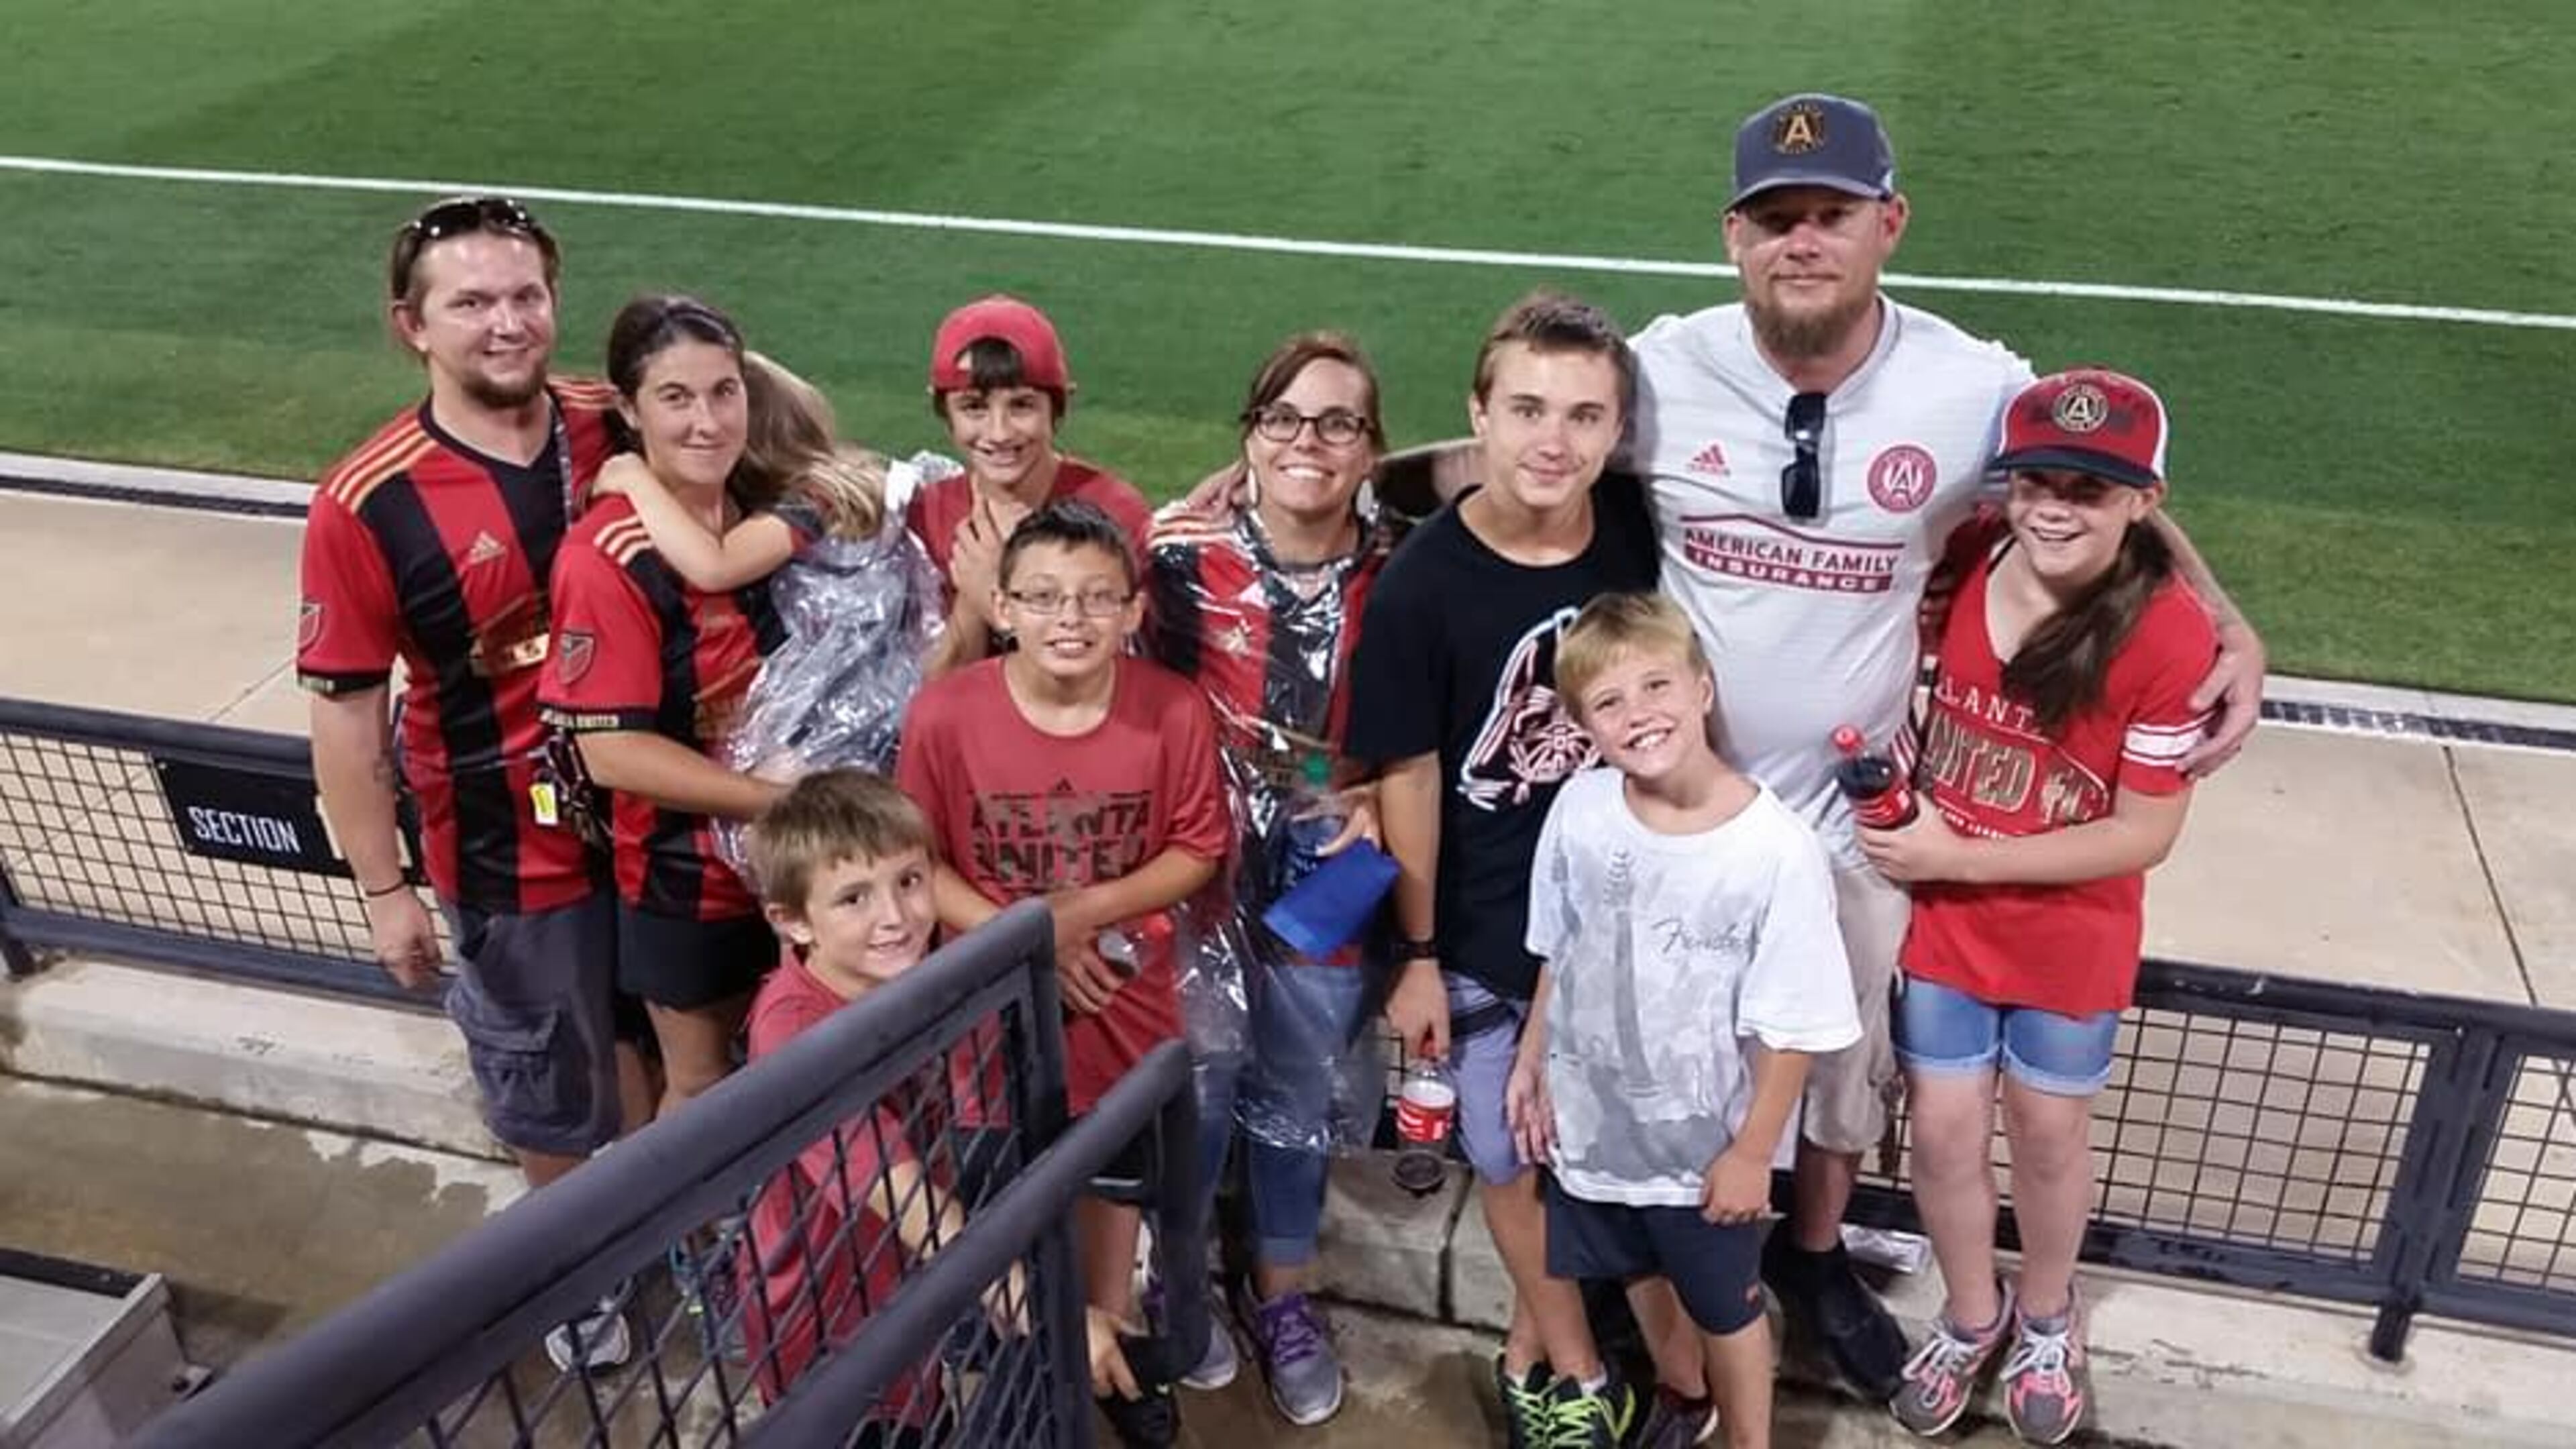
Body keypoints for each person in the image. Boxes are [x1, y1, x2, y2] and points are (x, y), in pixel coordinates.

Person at [1615, 93, 2269, 1398]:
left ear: (1888, 226)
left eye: (1832, 216)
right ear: (1733, 236)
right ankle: (1684, 1253)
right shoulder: (1657, 367)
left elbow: (2109, 479)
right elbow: (1520, 441)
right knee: (1679, 1042)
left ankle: (1812, 1260)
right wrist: (1283, 480)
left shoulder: (1973, 384)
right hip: (1689, 794)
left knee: (1849, 1060)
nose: (1804, 241)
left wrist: (2233, 619)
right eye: (1776, 218)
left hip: (1863, 811)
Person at [297, 195, 633, 1370]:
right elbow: (344, 710)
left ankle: (662, 1217)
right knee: (549, 1079)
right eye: (473, 302)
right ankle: (574, 1264)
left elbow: (798, 442)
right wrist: (385, 890)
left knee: (660, 1043)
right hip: (504, 849)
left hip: (655, 826)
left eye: (527, 295)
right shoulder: (365, 500)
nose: (508, 323)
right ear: (413, 327)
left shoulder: (618, 419)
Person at [1344, 292, 1672, 1448]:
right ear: (1477, 414)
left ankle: (1539, 1342)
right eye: (1527, 408)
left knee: (1606, 1146)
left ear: (1617, 429)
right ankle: (1574, 1373)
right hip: (1483, 936)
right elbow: (1413, 780)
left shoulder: (1637, 529)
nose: (1553, 439)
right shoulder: (1423, 585)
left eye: (1586, 415)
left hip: (1626, 922)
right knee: (1506, 1154)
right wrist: (1419, 956)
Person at [1865, 370, 2212, 1445]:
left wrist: (1951, 858)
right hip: (1948, 930)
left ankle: (2050, 1317)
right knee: (1944, 1134)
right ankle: (1975, 1315)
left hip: (2067, 936)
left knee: (2052, 1138)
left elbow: (2144, 832)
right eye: (2038, 481)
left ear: (2143, 502)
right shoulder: (1973, 556)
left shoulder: (2168, 634)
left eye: (2090, 489)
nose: (2055, 505)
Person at [895, 499, 1231, 1448]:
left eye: (1095, 599)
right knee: (999, 1194)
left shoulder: (1171, 708)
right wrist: (1028, 937)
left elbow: (1197, 847)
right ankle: (1026, 1361)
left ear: (1133, 611)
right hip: (992, 1007)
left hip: (1123, 997)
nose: (1070, 619)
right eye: (1043, 598)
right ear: (999, 607)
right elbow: (919, 860)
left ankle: (1111, 1351)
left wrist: (1078, 917)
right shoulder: (945, 713)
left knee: (1115, 1198)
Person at [1508, 592, 1863, 1449]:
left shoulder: (1775, 847)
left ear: (1703, 690)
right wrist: (1532, 1061)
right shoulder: (1580, 811)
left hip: (1707, 1155)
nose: (1639, 716)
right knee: (1631, 1264)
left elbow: (1796, 1025)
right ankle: (1680, 1392)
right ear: (1585, 724)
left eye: (1657, 686)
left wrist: (1750, 1155)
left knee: (1728, 1309)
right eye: (1609, 703)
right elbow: (1562, 950)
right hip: (1595, 1132)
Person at [1144, 331, 1399, 1426]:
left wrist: (1385, 793)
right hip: (1192, 856)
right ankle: (1180, 1277)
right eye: (1284, 419)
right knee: (1196, 1087)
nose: (1309, 441)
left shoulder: (1411, 564)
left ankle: (1281, 1298)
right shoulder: (1171, 558)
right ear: (1248, 435)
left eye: (1338, 421)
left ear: (1373, 448)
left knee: (1296, 1091)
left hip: (1331, 864)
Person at [540, 294, 788, 1124]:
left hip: (802, 870)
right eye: (676, 398)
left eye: (724, 392)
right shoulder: (605, 557)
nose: (708, 422)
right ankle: (698, 1251)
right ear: (628, 409)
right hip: (691, 886)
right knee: (705, 1084)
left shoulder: (767, 519)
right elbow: (613, 755)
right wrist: (779, 800)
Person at [737, 768, 1024, 1440]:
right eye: (853, 898)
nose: (895, 917)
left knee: (922, 1415)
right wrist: (1020, 1296)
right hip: (821, 1310)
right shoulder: (792, 1029)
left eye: (910, 881)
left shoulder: (903, 975)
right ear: (792, 921)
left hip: (897, 1283)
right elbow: (896, 1189)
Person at [589, 351, 938, 781]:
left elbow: (715, 565)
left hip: (847, 725)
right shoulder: (852, 481)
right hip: (884, 706)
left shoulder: (814, 498)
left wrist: (636, 480)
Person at [907, 295, 1154, 676]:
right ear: (943, 410)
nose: (999, 432)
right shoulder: (926, 513)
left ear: (1058, 406)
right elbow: (935, 693)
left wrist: (998, 591)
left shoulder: (1117, 512)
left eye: (1022, 405)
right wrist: (973, 606)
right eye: (974, 407)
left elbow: (1120, 680)